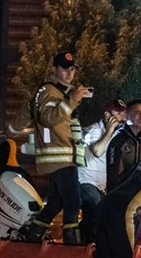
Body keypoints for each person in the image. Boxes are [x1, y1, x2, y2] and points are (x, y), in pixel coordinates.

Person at [24, 51, 92, 245]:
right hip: (58, 157)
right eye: (65, 69)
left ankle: (33, 234)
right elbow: (48, 118)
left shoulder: (62, 92)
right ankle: (72, 244)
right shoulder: (48, 91)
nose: (69, 73)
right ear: (55, 69)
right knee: (73, 201)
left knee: (57, 201)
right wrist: (72, 100)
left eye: (72, 69)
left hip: (64, 156)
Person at [78, 99, 127, 242]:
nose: (122, 117)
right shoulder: (94, 130)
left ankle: (86, 242)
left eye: (123, 113)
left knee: (96, 214)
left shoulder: (117, 134)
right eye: (118, 113)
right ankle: (88, 242)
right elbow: (97, 151)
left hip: (103, 186)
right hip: (86, 182)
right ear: (107, 115)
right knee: (98, 208)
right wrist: (110, 131)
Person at [105, 99, 141, 193]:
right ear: (127, 115)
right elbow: (112, 177)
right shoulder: (118, 141)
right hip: (124, 193)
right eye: (137, 113)